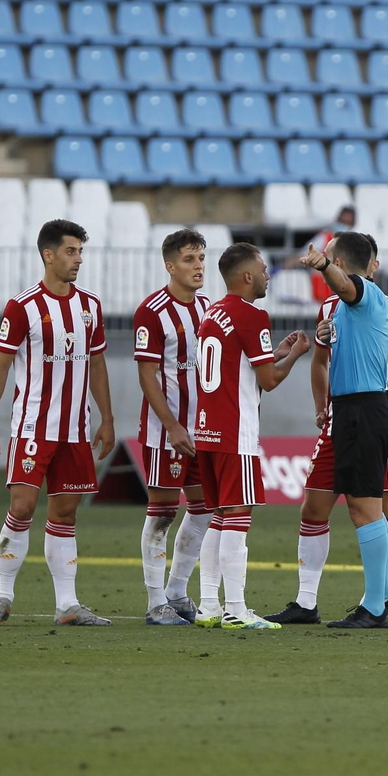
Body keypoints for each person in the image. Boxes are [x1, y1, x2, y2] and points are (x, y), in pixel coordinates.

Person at [270, 235, 388, 627]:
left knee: (368, 508)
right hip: (343, 414)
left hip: (367, 409)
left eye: (331, 261)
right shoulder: (336, 308)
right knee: (314, 503)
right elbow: (322, 360)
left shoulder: (366, 293)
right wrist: (321, 407)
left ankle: (378, 603)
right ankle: (306, 602)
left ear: (339, 262)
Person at [0, 219, 117, 628]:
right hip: (32, 427)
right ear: (48, 255)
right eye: (71, 251)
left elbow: (97, 363)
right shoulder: (22, 307)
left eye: (81, 252)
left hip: (75, 431)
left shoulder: (90, 305)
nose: (78, 259)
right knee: (21, 506)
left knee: (66, 514)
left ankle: (67, 605)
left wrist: (106, 418)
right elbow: (0, 366)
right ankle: (3, 596)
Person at [192, 242, 311, 630]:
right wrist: (295, 356)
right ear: (246, 276)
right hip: (235, 432)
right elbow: (269, 381)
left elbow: (238, 365)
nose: (267, 274)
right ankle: (237, 610)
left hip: (207, 430)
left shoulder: (213, 311)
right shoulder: (251, 315)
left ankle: (209, 605)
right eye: (262, 268)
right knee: (238, 517)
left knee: (220, 517)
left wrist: (275, 351)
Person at [132, 228, 215, 627]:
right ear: (170, 265)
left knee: (204, 509)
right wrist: (172, 425)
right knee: (163, 513)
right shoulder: (152, 311)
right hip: (166, 433)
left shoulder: (208, 308)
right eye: (189, 260)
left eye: (201, 259)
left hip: (203, 430)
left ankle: (178, 591)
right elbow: (147, 375)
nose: (198, 266)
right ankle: (154, 603)